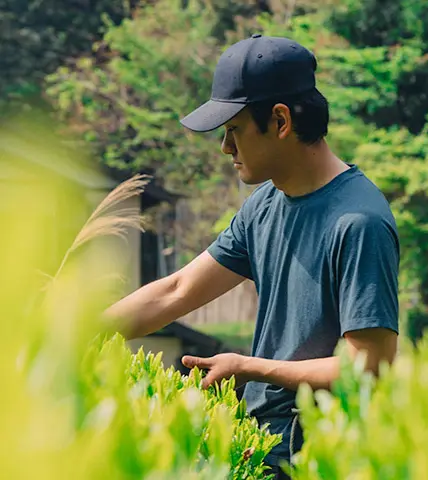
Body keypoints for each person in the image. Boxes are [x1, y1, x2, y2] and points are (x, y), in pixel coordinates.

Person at [104, 34, 399, 479]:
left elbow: (369, 365)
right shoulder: (265, 204)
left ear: (280, 121)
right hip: (260, 446)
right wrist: (71, 332)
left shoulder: (359, 222)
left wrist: (246, 367)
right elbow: (177, 289)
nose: (225, 147)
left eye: (234, 129)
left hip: (321, 457)